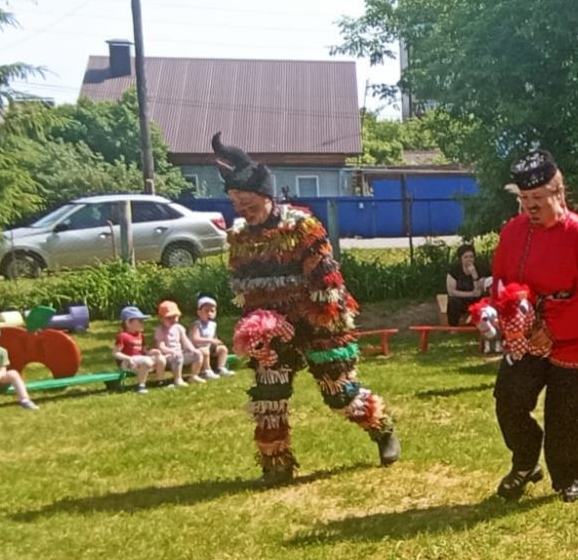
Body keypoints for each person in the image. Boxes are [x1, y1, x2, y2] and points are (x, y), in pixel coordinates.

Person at [213, 135, 399, 485]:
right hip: (273, 328)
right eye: (236, 202)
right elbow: (245, 291)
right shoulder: (240, 238)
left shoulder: (301, 227)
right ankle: (276, 466)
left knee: (338, 394)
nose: (242, 209)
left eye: (247, 201)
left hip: (320, 322)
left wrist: (302, 321)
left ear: (265, 195)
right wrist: (258, 329)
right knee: (269, 397)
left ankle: (383, 428)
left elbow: (326, 283)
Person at [489, 150, 578, 502]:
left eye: (538, 198)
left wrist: (553, 330)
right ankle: (526, 462)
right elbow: (501, 281)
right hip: (526, 334)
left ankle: (574, 474)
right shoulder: (512, 232)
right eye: (525, 198)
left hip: (575, 336)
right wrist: (513, 321)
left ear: (558, 192)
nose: (530, 205)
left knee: (564, 413)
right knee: (509, 400)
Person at [151, 300, 205, 387]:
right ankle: (178, 379)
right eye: (169, 318)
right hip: (168, 356)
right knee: (178, 356)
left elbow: (185, 340)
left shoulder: (179, 328)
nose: (173, 320)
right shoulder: (160, 330)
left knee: (198, 354)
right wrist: (172, 351)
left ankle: (194, 375)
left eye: (175, 317)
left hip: (179, 354)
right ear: (161, 319)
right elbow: (161, 346)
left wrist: (192, 349)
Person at [113, 305, 160, 393]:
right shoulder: (122, 336)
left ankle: (159, 381)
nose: (142, 323)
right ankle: (141, 386)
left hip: (139, 360)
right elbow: (115, 353)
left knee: (159, 358)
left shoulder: (140, 335)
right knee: (146, 361)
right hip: (126, 362)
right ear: (128, 322)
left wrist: (150, 352)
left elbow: (143, 350)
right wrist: (128, 358)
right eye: (140, 321)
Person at [445, 245, 491, 327]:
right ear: (461, 258)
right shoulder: (454, 270)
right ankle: (453, 327)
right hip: (462, 298)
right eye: (465, 257)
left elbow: (479, 291)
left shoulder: (481, 269)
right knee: (453, 301)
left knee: (486, 300)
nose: (469, 259)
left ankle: (484, 325)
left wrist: (474, 275)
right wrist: (471, 294)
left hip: (477, 299)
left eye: (471, 257)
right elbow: (451, 292)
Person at [190, 295, 233, 379]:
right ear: (199, 312)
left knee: (223, 349)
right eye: (206, 311)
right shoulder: (197, 325)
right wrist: (210, 340)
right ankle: (206, 371)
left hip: (209, 347)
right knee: (205, 351)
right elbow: (195, 339)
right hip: (197, 348)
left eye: (212, 311)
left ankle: (221, 368)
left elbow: (213, 337)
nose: (209, 313)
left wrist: (216, 342)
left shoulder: (213, 325)